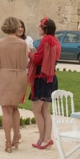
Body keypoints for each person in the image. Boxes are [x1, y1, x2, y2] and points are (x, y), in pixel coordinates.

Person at [0, 17, 29, 153]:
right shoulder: (23, 44)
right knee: (15, 108)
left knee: (6, 110)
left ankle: (7, 142)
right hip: (20, 76)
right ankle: (16, 138)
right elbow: (26, 63)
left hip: (4, 75)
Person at [27, 17, 61, 150]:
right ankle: (47, 138)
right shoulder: (55, 40)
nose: (38, 28)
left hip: (42, 77)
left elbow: (37, 60)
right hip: (51, 77)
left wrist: (29, 52)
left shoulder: (46, 39)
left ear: (45, 28)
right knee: (45, 110)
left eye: (40, 27)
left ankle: (42, 138)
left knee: (36, 110)